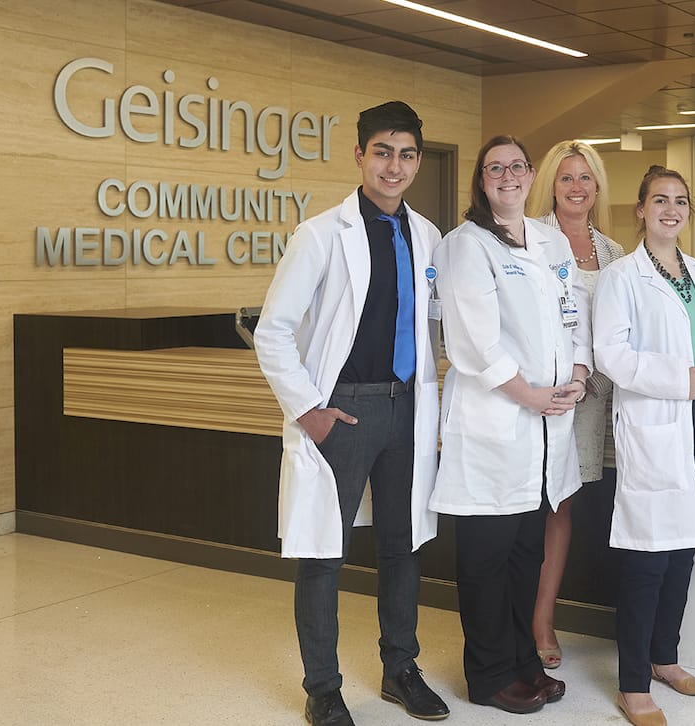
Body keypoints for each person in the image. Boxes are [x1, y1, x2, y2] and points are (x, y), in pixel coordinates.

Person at [254, 101, 450, 726]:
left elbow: (438, 325)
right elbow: (273, 331)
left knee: (402, 547)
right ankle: (323, 688)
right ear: (360, 155)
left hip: (408, 408)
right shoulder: (319, 234)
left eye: (407, 154)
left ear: (418, 161)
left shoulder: (427, 236)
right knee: (324, 551)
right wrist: (310, 409)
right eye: (383, 152)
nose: (395, 166)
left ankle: (400, 670)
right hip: (345, 411)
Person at [430, 135, 590, 713]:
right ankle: (489, 674)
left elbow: (576, 316)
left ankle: (523, 661)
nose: (508, 175)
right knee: (486, 561)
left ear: (529, 175)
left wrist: (578, 369)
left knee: (527, 555)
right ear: (480, 179)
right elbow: (474, 340)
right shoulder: (465, 246)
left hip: (547, 427)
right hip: (496, 423)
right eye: (495, 167)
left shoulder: (550, 241)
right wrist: (531, 395)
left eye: (517, 166)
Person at [593, 165, 695, 726]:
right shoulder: (622, 278)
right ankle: (632, 682)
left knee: (684, 546)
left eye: (680, 201)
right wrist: (681, 376)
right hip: (656, 420)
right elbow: (612, 355)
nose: (670, 210)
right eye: (659, 200)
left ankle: (664, 657)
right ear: (640, 210)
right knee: (646, 557)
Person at [524, 140, 625, 670]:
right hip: (535, 398)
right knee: (530, 508)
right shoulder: (527, 240)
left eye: (587, 179)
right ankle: (525, 620)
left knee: (563, 507)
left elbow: (618, 332)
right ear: (551, 185)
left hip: (591, 402)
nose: (578, 188)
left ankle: (545, 616)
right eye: (567, 178)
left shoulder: (613, 253)